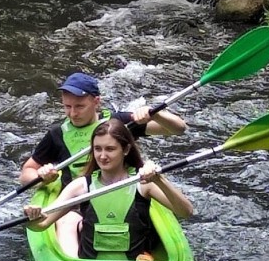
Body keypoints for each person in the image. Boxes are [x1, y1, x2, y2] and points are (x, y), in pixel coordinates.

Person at [23, 118, 193, 261]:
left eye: (110, 149)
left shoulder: (143, 183)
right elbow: (42, 225)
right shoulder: (81, 186)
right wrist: (33, 216)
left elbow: (186, 212)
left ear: (125, 149)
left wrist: (159, 179)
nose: (102, 156)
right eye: (98, 149)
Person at [19, 72, 186, 189]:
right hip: (79, 196)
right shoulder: (57, 134)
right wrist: (42, 178)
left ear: (96, 102)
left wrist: (155, 115)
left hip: (122, 188)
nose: (73, 113)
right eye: (67, 107)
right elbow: (26, 172)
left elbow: (178, 129)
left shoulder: (118, 123)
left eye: (80, 106)